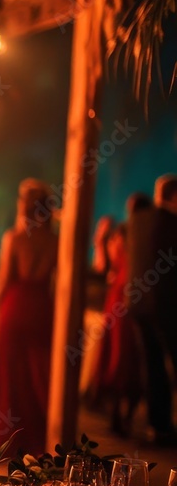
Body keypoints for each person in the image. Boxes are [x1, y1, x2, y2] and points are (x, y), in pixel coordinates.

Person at [0, 179, 58, 455]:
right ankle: (38, 435)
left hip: (15, 306)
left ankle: (7, 437)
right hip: (41, 306)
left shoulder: (14, 238)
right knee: (38, 372)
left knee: (10, 374)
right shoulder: (55, 241)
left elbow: (5, 279)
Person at [88, 193, 151, 435]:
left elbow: (104, 267)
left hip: (119, 297)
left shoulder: (123, 232)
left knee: (118, 355)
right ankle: (127, 414)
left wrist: (100, 241)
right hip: (138, 297)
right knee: (132, 357)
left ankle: (115, 413)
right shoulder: (148, 234)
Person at [128, 175, 177, 446]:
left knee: (152, 365)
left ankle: (157, 425)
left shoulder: (138, 220)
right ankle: (163, 425)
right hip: (166, 305)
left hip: (138, 305)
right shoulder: (171, 222)